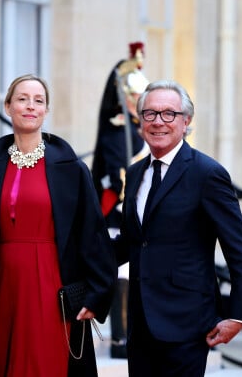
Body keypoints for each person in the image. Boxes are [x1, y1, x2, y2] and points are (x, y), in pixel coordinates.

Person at [0, 74, 116, 377]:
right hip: (1, 283)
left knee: (46, 362)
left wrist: (98, 293)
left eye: (38, 100)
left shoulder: (71, 169)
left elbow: (93, 234)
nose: (30, 106)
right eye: (22, 99)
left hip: (51, 284)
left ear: (46, 110)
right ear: (8, 106)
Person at [114, 80, 242, 376]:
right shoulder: (135, 172)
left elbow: (240, 247)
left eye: (169, 114)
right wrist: (73, 261)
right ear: (140, 120)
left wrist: (239, 315)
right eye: (150, 114)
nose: (158, 122)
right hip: (140, 325)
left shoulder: (207, 174)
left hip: (187, 324)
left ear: (186, 120)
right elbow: (131, 241)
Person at [91, 41, 149, 359]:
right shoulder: (115, 131)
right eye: (134, 96)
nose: (138, 102)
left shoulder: (144, 130)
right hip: (120, 209)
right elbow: (116, 175)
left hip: (144, 209)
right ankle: (119, 340)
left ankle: (135, 334)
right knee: (122, 274)